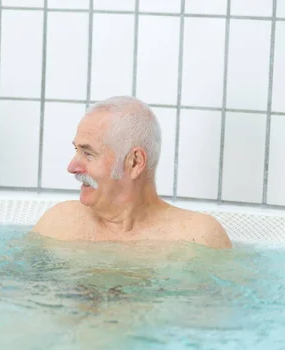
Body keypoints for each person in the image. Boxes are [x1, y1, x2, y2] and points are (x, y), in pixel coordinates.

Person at [33, 96, 232, 249]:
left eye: (88, 153)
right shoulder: (60, 224)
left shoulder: (197, 238)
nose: (72, 167)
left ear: (135, 162)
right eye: (77, 151)